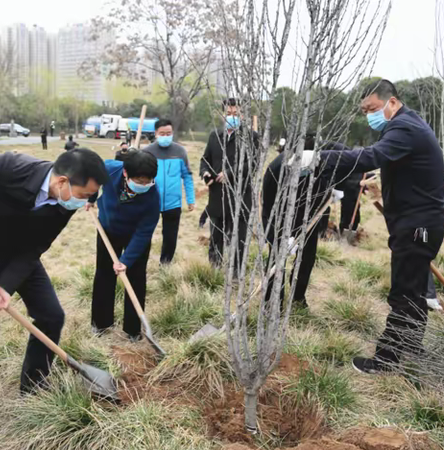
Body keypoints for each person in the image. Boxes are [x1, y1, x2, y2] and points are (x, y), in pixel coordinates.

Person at [0, 148, 108, 441]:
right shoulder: (11, 167)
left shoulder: (61, 204)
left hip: (18, 254)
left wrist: (5, 285)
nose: (86, 203)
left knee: (51, 315)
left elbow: (34, 248)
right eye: (85, 195)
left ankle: (34, 386)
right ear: (62, 181)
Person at [321, 79, 444, 374]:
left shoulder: (404, 128)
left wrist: (321, 159)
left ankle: (386, 360)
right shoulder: (407, 124)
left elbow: (372, 155)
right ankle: (412, 344)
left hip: (418, 224)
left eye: (372, 108)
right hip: (420, 221)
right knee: (413, 289)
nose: (369, 115)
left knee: (403, 291)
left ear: (392, 101)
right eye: (364, 110)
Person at [262, 134, 340, 311]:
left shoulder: (320, 165)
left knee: (307, 257)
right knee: (276, 260)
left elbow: (324, 192)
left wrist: (331, 194)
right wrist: (275, 236)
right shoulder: (276, 169)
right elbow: (267, 206)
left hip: (309, 218)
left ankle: (298, 296)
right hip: (280, 218)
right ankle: (272, 302)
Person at [88, 149, 160, 340]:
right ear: (126, 173)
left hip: (135, 235)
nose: (144, 185)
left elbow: (144, 232)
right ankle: (101, 324)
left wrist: (126, 260)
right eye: (139, 181)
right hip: (107, 229)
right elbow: (94, 178)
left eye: (148, 181)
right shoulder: (110, 169)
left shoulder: (153, 197)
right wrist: (91, 198)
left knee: (135, 278)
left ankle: (133, 330)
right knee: (104, 274)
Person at [200, 98, 259, 270]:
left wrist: (230, 174)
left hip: (240, 195)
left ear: (242, 115)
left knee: (238, 237)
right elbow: (205, 159)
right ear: (222, 114)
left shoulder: (250, 137)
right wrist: (205, 172)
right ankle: (215, 268)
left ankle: (235, 272)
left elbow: (253, 164)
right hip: (217, 195)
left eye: (235, 114)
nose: (232, 117)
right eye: (228, 114)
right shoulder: (215, 136)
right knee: (216, 234)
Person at [144, 119, 195, 264]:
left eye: (169, 133)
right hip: (150, 202)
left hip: (173, 203)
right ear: (156, 134)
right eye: (162, 133)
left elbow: (187, 176)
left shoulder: (180, 151)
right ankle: (141, 262)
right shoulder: (147, 152)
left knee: (170, 237)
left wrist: (190, 199)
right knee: (145, 234)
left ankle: (165, 264)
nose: (165, 136)